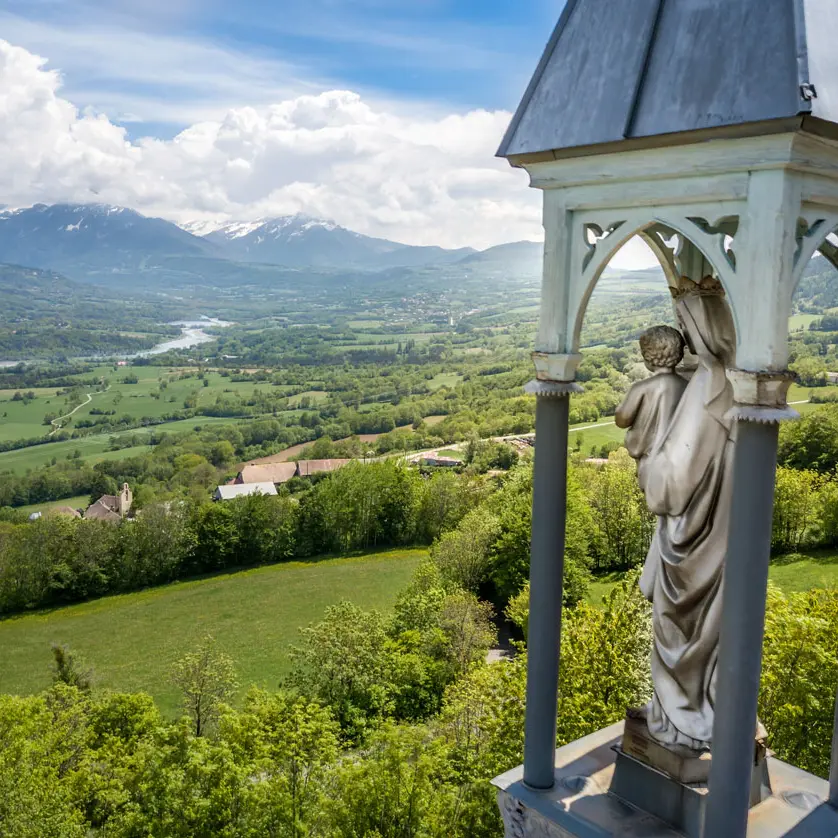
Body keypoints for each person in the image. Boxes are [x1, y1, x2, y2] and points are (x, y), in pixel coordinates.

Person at [624, 275, 737, 753]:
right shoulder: (724, 385)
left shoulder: (707, 390)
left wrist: (648, 468)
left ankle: (682, 716)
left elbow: (668, 488)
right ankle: (699, 705)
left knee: (678, 627)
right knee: (710, 627)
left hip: (689, 537)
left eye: (690, 321)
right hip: (721, 530)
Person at [615, 325, 687, 492]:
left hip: (650, 458)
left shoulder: (641, 388)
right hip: (679, 458)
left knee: (657, 500)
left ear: (647, 356)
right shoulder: (687, 386)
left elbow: (622, 419)